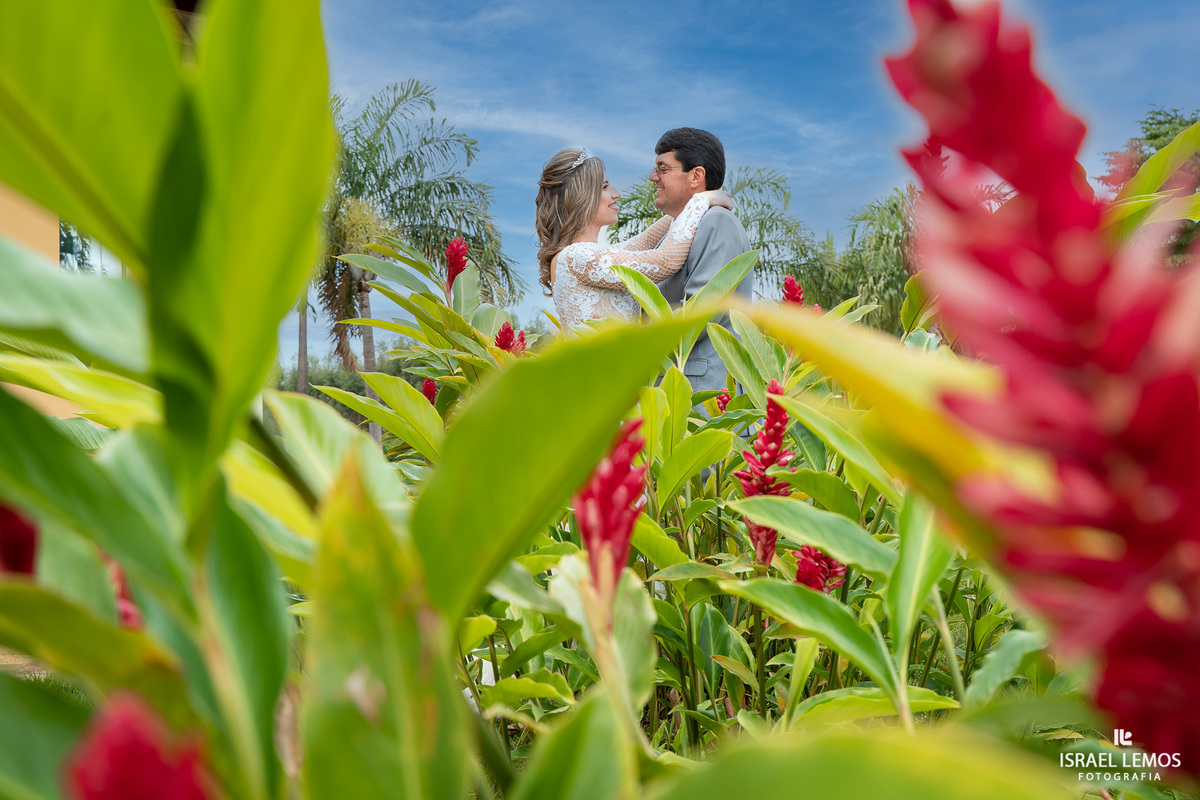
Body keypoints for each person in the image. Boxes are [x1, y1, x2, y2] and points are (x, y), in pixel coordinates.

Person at [535, 147, 732, 331]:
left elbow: (645, 242)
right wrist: (699, 202)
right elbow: (666, 260)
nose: (616, 194)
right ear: (581, 197)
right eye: (605, 187)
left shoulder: (587, 255)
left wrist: (688, 202)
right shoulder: (577, 256)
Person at [651, 127, 753, 392]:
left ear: (696, 175)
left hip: (704, 397)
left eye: (663, 169)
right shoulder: (674, 232)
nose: (653, 177)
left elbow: (700, 316)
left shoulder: (717, 222)